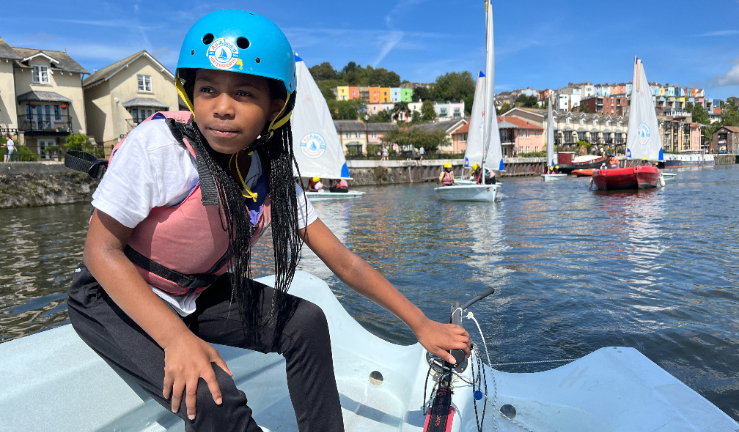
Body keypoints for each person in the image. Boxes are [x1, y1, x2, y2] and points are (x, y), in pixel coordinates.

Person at [65, 11, 469, 432]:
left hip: (195, 292)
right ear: (190, 94)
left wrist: (421, 324)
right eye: (207, 90)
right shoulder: (159, 148)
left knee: (306, 322)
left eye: (242, 93)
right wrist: (177, 339)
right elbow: (100, 251)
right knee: (210, 392)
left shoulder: (269, 174)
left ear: (274, 106)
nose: (221, 108)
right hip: (112, 295)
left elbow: (344, 262)